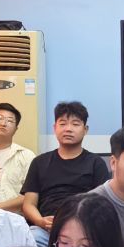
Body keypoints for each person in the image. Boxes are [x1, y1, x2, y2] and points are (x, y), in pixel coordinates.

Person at [18, 100, 111, 235]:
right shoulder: (39, 162)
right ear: (55, 128)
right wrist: (40, 221)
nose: (68, 129)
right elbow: (28, 204)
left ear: (85, 130)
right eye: (62, 124)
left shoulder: (96, 163)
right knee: (32, 238)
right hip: (45, 229)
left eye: (75, 124)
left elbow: (102, 204)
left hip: (83, 227)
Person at [0, 100, 34, 207]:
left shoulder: (26, 156)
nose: (3, 123)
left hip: (14, 216)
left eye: (10, 121)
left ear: (16, 129)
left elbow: (30, 195)